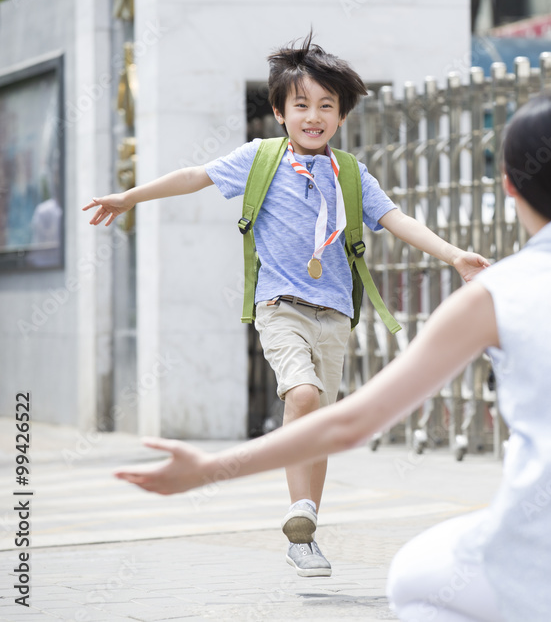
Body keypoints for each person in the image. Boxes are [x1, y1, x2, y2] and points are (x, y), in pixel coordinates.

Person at [115, 93, 551, 621]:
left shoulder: (497, 294)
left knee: (414, 578)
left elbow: (353, 423)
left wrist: (208, 468)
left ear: (509, 188)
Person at [85, 32, 490, 579]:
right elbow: (194, 176)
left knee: (316, 415)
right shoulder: (261, 158)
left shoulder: (350, 173)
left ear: (342, 115)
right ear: (279, 112)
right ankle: (298, 508)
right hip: (280, 306)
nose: (314, 116)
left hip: (335, 315)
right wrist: (130, 196)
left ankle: (305, 525)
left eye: (327, 105)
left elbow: (396, 220)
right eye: (302, 105)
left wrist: (454, 256)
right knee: (302, 393)